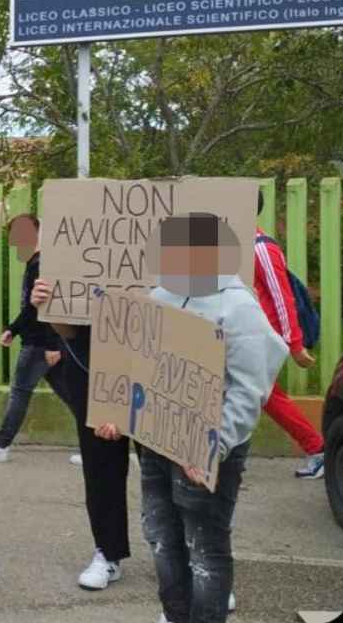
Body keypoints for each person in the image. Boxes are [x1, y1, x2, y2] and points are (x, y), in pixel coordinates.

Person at [141, 213, 287, 623]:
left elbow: (249, 388)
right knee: (161, 539)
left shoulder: (239, 308)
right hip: (157, 444)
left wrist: (214, 445)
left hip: (210, 450)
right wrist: (121, 415)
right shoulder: (160, 296)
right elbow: (139, 368)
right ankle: (175, 615)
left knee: (204, 547)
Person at [30, 275, 131, 591]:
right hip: (92, 369)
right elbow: (68, 330)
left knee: (169, 472)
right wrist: (50, 306)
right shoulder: (81, 254)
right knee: (101, 466)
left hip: (158, 364)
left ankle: (198, 564)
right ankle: (108, 551)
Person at [253, 190, 324, 479]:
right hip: (246, 336)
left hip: (263, 338)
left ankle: (318, 449)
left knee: (266, 395)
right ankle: (317, 448)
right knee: (260, 394)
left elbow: (283, 298)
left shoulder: (261, 249)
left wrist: (295, 344)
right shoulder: (236, 246)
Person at [0, 214, 65, 463]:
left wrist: (53, 344)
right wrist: (13, 328)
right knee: (73, 395)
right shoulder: (35, 263)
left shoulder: (42, 265)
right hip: (41, 341)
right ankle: (93, 446)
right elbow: (32, 308)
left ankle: (0, 444)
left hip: (41, 343)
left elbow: (51, 307)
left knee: (19, 392)